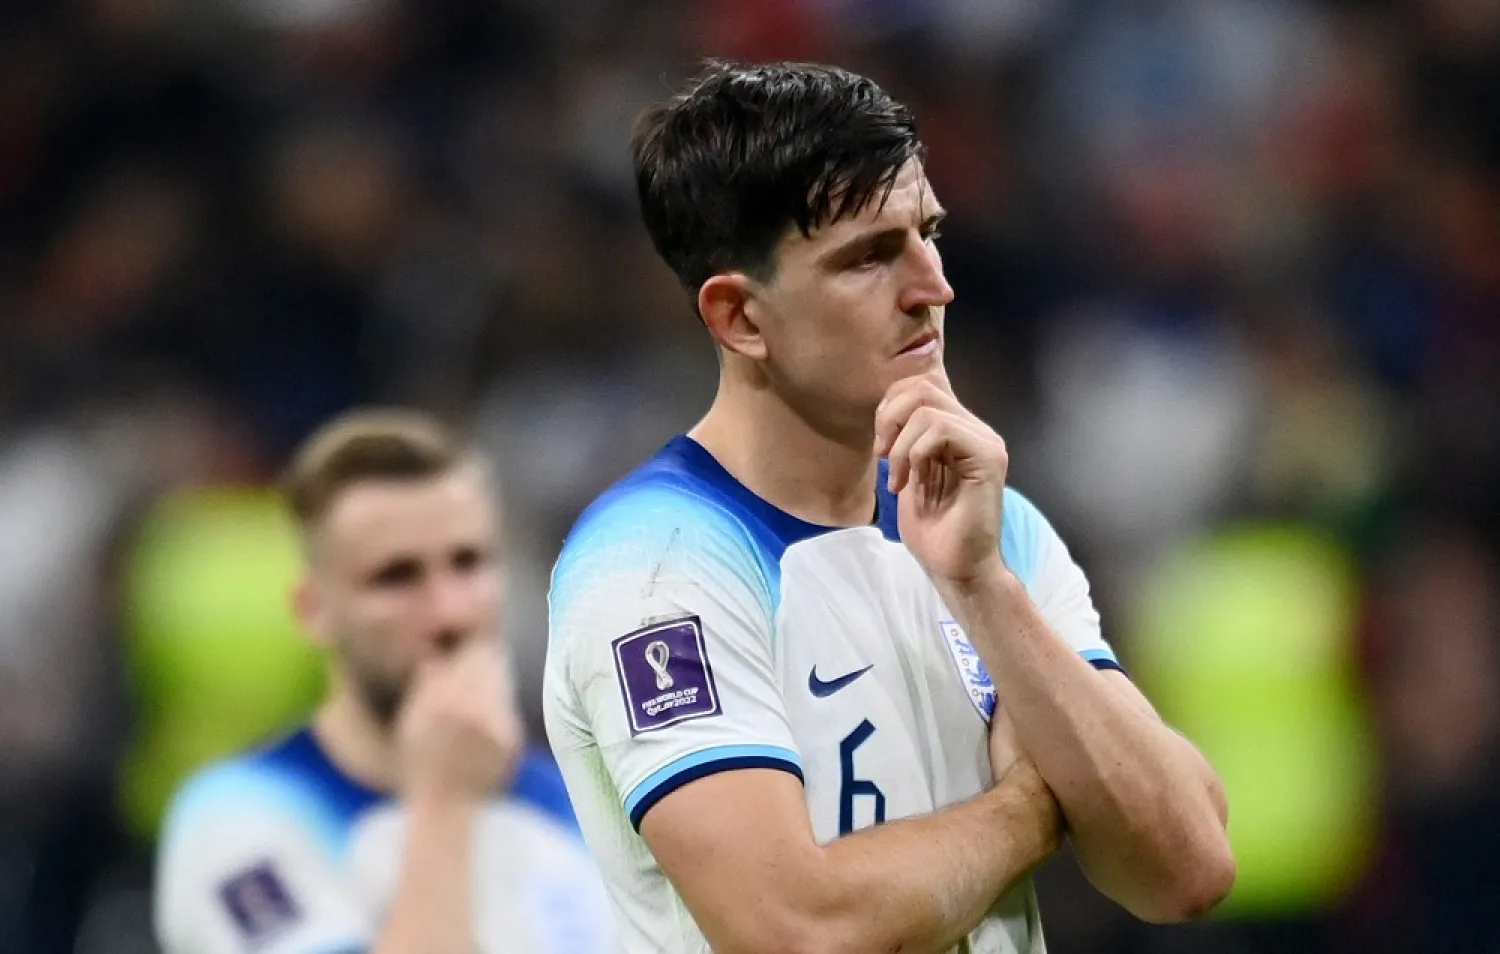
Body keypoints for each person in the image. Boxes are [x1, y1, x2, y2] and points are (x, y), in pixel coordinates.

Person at [543, 60, 1235, 954]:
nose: (932, 287)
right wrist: (1033, 809)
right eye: (869, 257)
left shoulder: (993, 528)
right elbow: (793, 929)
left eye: (928, 234)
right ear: (740, 319)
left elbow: (1188, 867)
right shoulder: (658, 566)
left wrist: (983, 587)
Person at [155, 409, 616, 954]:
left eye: (468, 564)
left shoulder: (580, 800)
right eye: (396, 578)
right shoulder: (239, 815)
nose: (449, 613)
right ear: (315, 610)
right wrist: (443, 804)